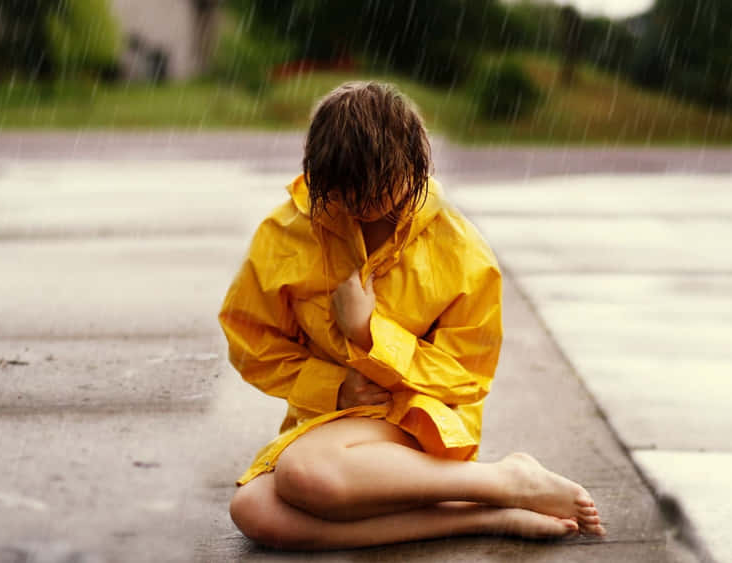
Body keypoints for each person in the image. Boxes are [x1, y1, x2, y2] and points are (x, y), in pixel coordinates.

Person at [218, 81, 606, 550]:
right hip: (329, 425)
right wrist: (333, 386)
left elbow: (465, 376)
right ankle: (483, 514)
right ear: (319, 174)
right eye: (346, 192)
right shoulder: (286, 233)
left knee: (303, 473)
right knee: (253, 511)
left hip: (420, 424)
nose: (363, 206)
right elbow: (251, 340)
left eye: (380, 188)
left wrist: (368, 332)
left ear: (414, 166)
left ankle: (504, 480)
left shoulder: (459, 249)